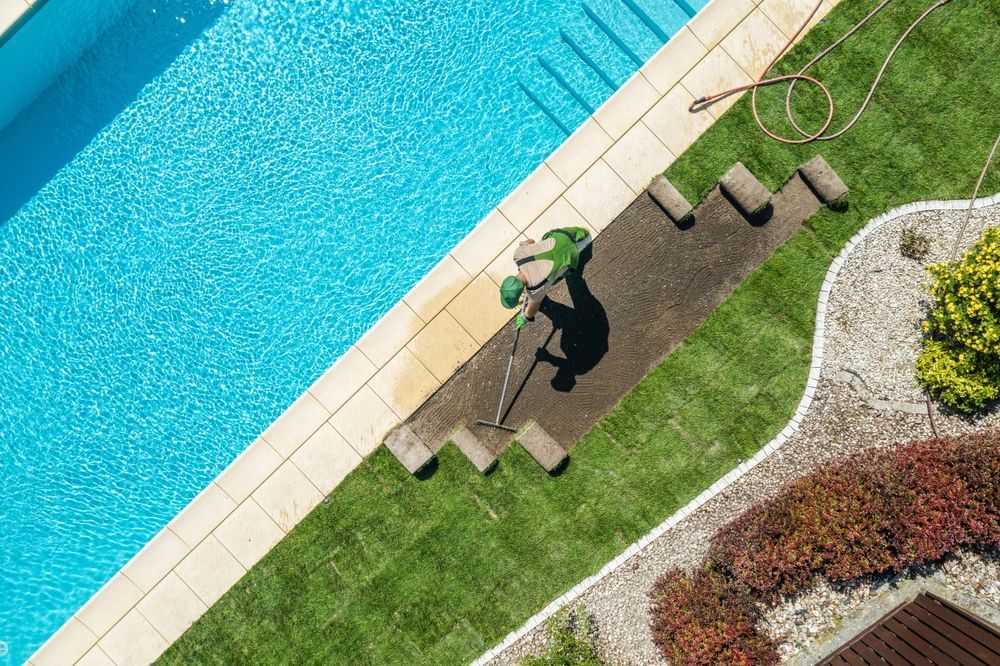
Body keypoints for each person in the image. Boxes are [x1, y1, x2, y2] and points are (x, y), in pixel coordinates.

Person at [498, 226, 591, 328]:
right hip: (562, 235)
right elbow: (531, 241)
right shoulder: (518, 255)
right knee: (581, 232)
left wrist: (525, 317)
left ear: (521, 292)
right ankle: (583, 232)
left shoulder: (535, 289)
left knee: (552, 280)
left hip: (572, 257)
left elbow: (533, 308)